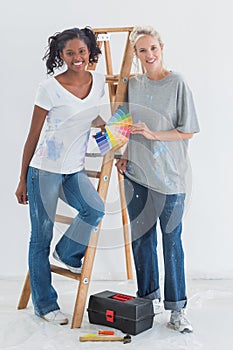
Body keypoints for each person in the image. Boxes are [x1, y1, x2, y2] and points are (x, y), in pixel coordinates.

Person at [15, 27, 106, 325]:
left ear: (89, 51)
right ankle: (44, 304)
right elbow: (33, 135)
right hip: (44, 171)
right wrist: (21, 178)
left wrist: (115, 134)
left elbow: (91, 116)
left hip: (73, 170)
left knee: (95, 208)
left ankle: (67, 253)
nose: (77, 58)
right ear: (60, 55)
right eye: (70, 53)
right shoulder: (49, 88)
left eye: (81, 51)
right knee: (40, 238)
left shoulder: (99, 81)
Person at [116, 25, 200, 333]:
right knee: (142, 241)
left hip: (171, 178)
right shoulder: (132, 84)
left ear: (161, 48)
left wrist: (153, 134)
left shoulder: (177, 82)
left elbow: (188, 130)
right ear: (136, 55)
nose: (149, 54)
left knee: (172, 243)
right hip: (136, 174)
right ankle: (147, 301)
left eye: (153, 48)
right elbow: (121, 124)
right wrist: (119, 153)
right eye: (142, 50)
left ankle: (177, 310)